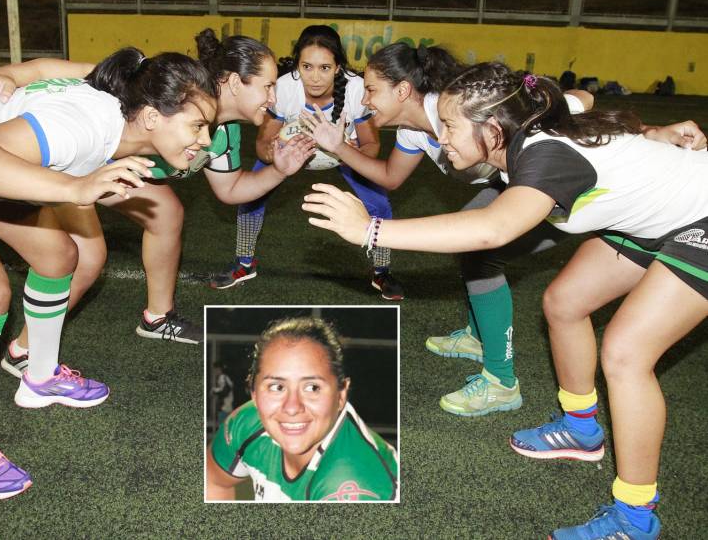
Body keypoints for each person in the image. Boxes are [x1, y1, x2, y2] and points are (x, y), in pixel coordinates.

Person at [302, 61, 707, 538]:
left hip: (698, 216)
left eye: (450, 126)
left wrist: (369, 229)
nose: (442, 137)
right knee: (564, 302)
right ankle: (581, 428)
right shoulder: (534, 115)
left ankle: (636, 518)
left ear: (493, 130)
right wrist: (655, 134)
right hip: (656, 219)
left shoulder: (542, 157)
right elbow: (585, 103)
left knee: (625, 352)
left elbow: (494, 229)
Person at [0, 46, 219, 499]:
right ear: (150, 117)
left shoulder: (121, 104)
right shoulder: (83, 127)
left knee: (58, 256)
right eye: (197, 126)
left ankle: (39, 378)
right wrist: (75, 187)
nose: (205, 140)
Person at [0, 30, 314, 377]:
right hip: (59, 158)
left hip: (97, 166)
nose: (273, 98)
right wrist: (3, 75)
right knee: (82, 258)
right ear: (236, 83)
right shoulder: (165, 89)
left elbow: (231, 189)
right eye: (268, 86)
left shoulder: (221, 133)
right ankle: (26, 352)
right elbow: (53, 71)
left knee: (166, 212)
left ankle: (157, 316)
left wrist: (279, 171)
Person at [209, 25, 404, 300]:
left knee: (379, 204)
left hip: (342, 154)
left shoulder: (357, 89)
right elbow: (262, 146)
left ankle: (381, 271)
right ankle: (244, 263)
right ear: (297, 66)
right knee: (250, 196)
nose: (314, 77)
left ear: (338, 68)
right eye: (306, 66)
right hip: (291, 154)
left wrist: (346, 150)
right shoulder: (282, 89)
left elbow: (371, 146)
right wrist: (278, 154)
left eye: (325, 68)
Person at [206, 316, 399, 501]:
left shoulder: (352, 484)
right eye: (277, 387)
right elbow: (213, 481)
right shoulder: (247, 424)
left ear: (341, 395)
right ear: (254, 393)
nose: (292, 407)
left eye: (312, 387)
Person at [210, 360, 234, 427]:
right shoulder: (226, 377)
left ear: (219, 369)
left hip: (225, 406)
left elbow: (224, 390)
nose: (214, 372)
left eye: (215, 369)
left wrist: (214, 390)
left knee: (223, 426)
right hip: (229, 405)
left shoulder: (222, 377)